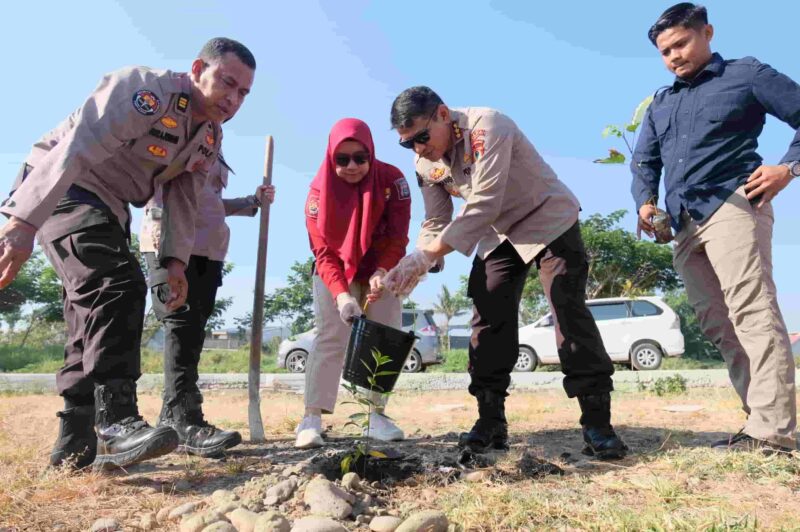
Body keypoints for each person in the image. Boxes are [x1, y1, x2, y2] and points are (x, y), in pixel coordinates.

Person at [0, 37, 256, 470]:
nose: (232, 99)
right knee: (117, 286)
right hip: (61, 189)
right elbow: (75, 147)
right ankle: (116, 420)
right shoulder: (145, 92)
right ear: (197, 68)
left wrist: (175, 262)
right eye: (227, 84)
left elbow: (183, 198)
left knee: (89, 318)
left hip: (110, 208)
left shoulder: (207, 135)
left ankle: (73, 447)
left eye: (243, 93)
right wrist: (22, 223)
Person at [384, 87, 628, 459]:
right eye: (407, 144)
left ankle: (597, 423)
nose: (418, 148)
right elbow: (436, 219)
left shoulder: (488, 126)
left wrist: (429, 252)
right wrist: (419, 261)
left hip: (547, 219)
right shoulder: (425, 165)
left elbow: (485, 199)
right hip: (498, 234)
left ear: (443, 115)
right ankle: (490, 420)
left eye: (421, 136)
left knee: (567, 310)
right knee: (487, 317)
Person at [632, 3, 798, 452]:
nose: (674, 56)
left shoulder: (747, 75)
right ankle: (758, 422)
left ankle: (775, 432)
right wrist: (645, 203)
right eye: (665, 51)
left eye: (681, 43)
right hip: (684, 222)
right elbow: (644, 160)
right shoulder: (661, 103)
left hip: (733, 205)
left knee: (753, 312)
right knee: (717, 322)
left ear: (707, 33)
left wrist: (789, 168)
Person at [140, 152, 275, 457]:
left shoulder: (216, 141)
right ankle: (182, 419)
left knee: (193, 332)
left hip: (208, 249)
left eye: (240, 99)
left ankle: (175, 415)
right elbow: (161, 197)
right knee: (181, 325)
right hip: (171, 243)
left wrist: (251, 201)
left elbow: (209, 204)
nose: (231, 102)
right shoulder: (176, 133)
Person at [295, 118, 412, 449]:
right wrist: (342, 296)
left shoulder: (393, 181)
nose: (351, 166)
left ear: (371, 154)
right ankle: (312, 417)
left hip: (382, 269)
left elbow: (397, 236)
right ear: (331, 157)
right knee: (331, 335)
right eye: (342, 159)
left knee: (385, 335)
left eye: (360, 157)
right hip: (335, 271)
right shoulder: (317, 196)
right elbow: (323, 252)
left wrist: (383, 270)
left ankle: (375, 415)